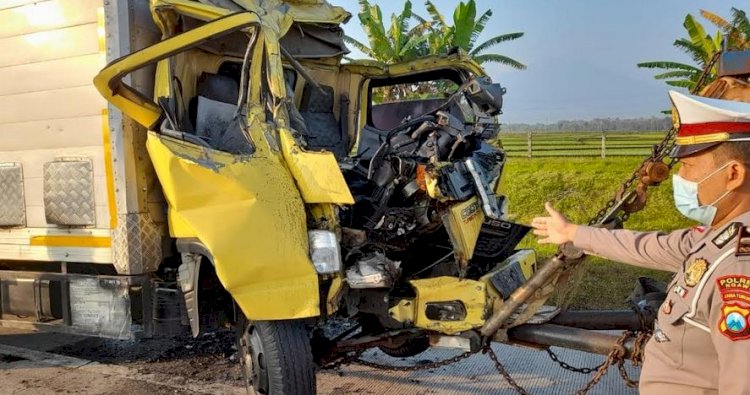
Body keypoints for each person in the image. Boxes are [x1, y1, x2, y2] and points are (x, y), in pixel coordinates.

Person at [531, 90, 750, 395]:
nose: (681, 179)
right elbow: (652, 245)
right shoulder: (722, 234)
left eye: (689, 168)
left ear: (733, 174)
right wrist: (574, 233)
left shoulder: (740, 266)